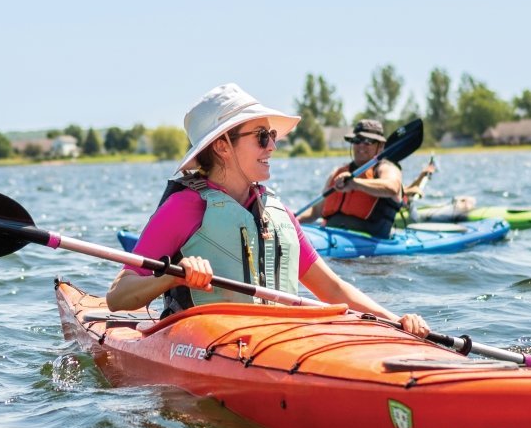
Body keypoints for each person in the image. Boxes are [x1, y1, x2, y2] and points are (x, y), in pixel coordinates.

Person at [107, 84, 429, 337]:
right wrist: (172, 277)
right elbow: (118, 296)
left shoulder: (278, 213)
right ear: (222, 146)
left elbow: (332, 289)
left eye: (272, 136)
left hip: (276, 343)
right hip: (206, 347)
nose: (272, 146)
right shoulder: (183, 208)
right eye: (262, 137)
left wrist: (395, 321)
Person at [297, 119, 406, 238]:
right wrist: (294, 220)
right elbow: (315, 211)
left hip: (369, 242)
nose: (361, 145)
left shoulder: (387, 168)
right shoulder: (338, 173)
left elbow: (392, 187)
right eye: (357, 140)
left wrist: (355, 184)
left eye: (367, 141)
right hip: (329, 235)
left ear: (380, 146)